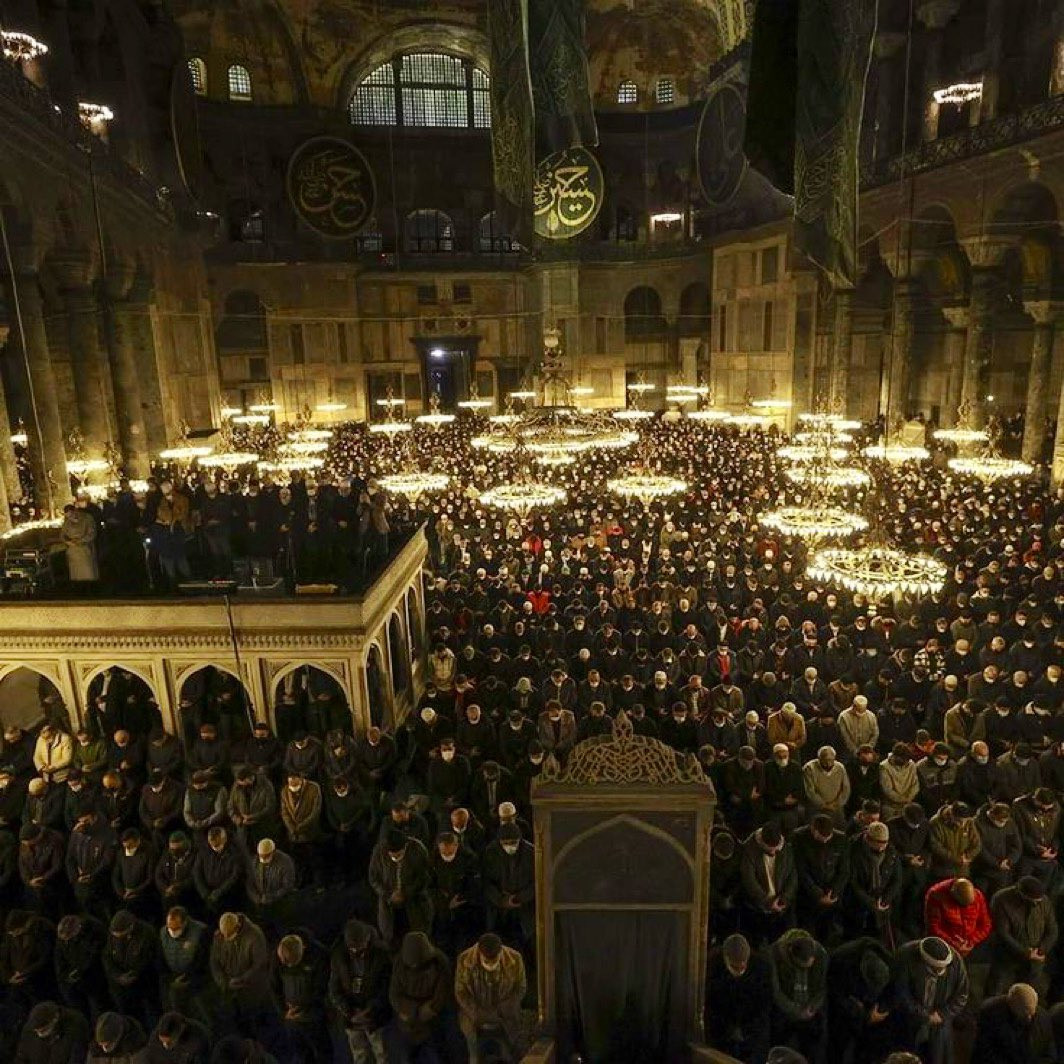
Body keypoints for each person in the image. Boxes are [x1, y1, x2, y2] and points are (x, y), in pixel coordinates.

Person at [893, 936, 969, 1064]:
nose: (941, 971)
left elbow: (962, 994)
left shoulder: (956, 961)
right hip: (910, 1020)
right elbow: (901, 994)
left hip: (940, 1022)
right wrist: (923, 1015)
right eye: (936, 968)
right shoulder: (905, 957)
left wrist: (942, 1014)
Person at [454, 932, 527, 1063]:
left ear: (500, 951)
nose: (491, 964)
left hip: (505, 1018)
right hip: (474, 1020)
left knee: (509, 1057)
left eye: (494, 960)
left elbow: (520, 988)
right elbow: (461, 992)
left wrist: (503, 1009)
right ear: (480, 953)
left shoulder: (515, 959)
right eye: (487, 961)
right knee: (474, 1057)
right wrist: (476, 1012)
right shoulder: (465, 960)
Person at [329, 919, 390, 1064]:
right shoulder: (338, 955)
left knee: (382, 1055)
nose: (356, 951)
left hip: (375, 1017)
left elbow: (386, 987)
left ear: (367, 939)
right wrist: (349, 1012)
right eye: (352, 948)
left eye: (359, 946)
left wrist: (370, 1010)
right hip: (352, 1017)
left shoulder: (381, 954)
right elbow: (334, 989)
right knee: (360, 1056)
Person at [705, 933, 772, 1063]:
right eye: (735, 967)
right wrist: (729, 1029)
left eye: (743, 966)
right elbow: (711, 1003)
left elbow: (763, 1004)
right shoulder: (712, 965)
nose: (740, 971)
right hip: (721, 1026)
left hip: (752, 1026)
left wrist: (746, 1030)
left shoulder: (761, 967)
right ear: (725, 958)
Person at [389, 931, 453, 1060]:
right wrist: (414, 1010)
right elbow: (394, 994)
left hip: (432, 1017)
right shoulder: (399, 962)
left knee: (438, 1054)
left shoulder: (439, 962)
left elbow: (443, 992)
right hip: (408, 1019)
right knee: (407, 1056)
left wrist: (432, 1008)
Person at [768, 928, 827, 1063]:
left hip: (810, 1013)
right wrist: (795, 1010)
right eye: (802, 967)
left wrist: (813, 1007)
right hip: (784, 1012)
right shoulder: (774, 954)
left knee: (814, 1051)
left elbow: (823, 987)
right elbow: (775, 990)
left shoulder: (821, 954)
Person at [971, 982, 1055, 1064]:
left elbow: (1049, 1054)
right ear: (1010, 1003)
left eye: (1031, 1012)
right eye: (1025, 1012)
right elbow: (985, 1051)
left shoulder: (1043, 1018)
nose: (1029, 1018)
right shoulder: (990, 1013)